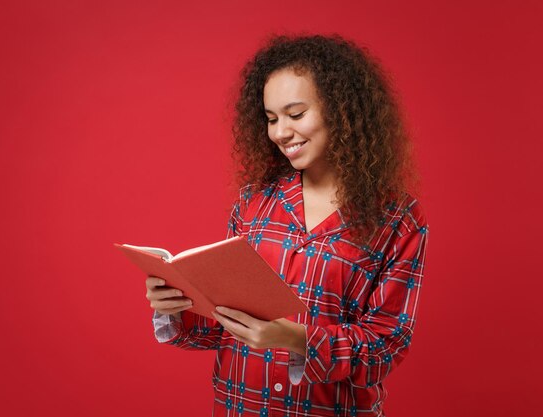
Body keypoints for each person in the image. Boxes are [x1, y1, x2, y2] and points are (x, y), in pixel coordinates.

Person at [145, 33, 429, 417]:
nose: (280, 132)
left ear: (342, 110)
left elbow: (385, 347)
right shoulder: (253, 202)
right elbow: (223, 329)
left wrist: (297, 339)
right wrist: (178, 306)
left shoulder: (396, 219)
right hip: (240, 407)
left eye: (295, 115)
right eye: (271, 118)